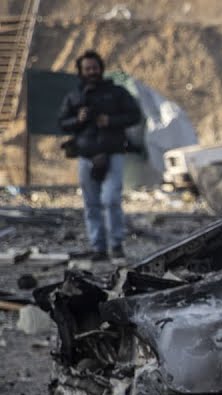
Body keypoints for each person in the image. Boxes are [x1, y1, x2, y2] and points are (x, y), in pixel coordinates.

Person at [58, 50, 142, 262]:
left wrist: (111, 120)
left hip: (113, 154)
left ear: (101, 69)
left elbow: (135, 115)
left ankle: (116, 245)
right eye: (87, 69)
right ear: (81, 71)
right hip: (86, 157)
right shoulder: (74, 96)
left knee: (112, 200)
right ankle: (99, 248)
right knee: (91, 204)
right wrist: (78, 119)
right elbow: (62, 123)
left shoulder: (117, 92)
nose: (92, 72)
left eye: (95, 68)